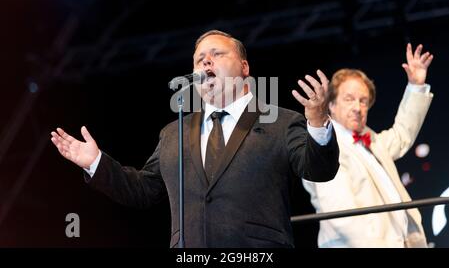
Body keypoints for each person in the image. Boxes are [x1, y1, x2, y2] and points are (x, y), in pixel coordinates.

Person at [51, 30, 339, 248]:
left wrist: (316, 121)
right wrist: (96, 163)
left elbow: (318, 170)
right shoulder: (173, 132)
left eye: (217, 54)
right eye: (199, 59)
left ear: (244, 67)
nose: (206, 61)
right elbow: (143, 191)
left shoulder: (279, 121)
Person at [302, 43, 434, 248]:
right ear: (332, 105)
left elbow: (402, 135)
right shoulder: (323, 146)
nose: (357, 107)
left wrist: (416, 86)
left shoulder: (371, 141)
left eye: (363, 101)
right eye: (349, 99)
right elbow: (341, 215)